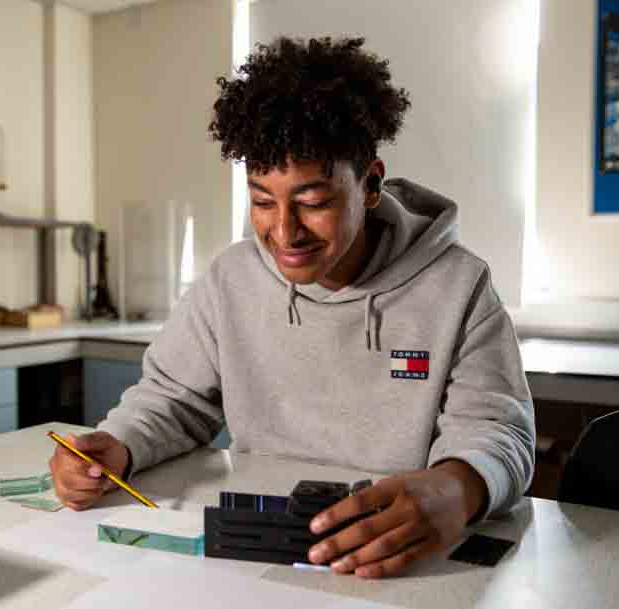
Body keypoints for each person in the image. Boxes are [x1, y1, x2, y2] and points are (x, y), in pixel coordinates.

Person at [50, 36, 535, 579]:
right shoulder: (230, 281)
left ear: (370, 184)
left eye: (313, 202)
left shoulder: (458, 284)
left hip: (393, 560)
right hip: (265, 554)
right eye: (262, 201)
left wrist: (457, 487)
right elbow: (172, 399)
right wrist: (118, 445)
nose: (283, 232)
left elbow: (498, 429)